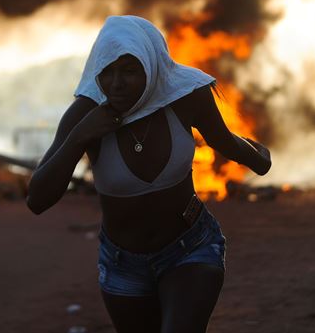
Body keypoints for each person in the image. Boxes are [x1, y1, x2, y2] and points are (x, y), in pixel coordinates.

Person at [26, 16, 271, 333]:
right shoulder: (85, 113)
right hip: (122, 264)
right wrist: (80, 136)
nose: (116, 84)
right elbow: (37, 199)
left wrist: (259, 157)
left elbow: (222, 140)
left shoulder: (185, 97)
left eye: (129, 70)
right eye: (107, 71)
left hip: (191, 248)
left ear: (151, 65)